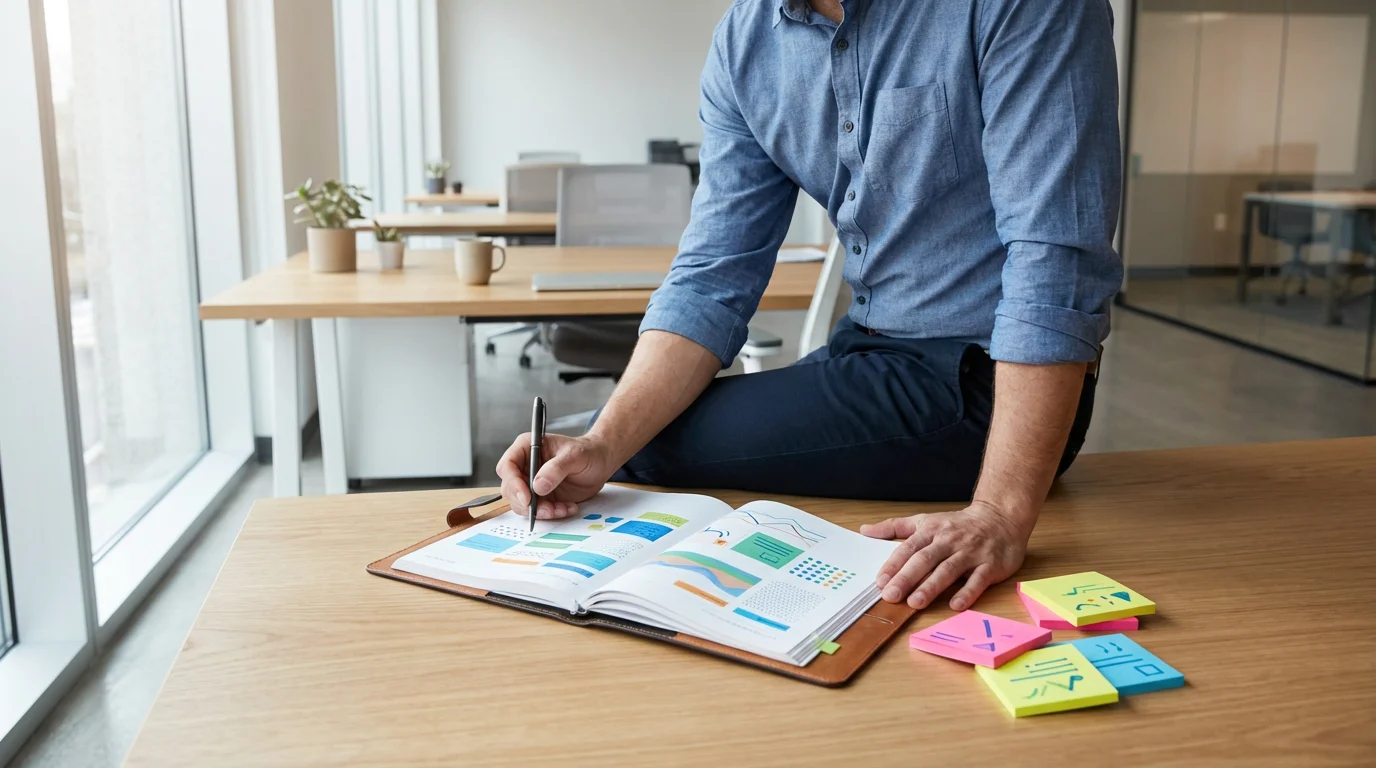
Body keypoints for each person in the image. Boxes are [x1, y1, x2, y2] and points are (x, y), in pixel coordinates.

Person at [497, 0, 1122, 613]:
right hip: (868, 348)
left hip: (982, 377)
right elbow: (713, 275)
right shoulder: (747, 41)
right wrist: (602, 441)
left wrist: (999, 513)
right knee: (635, 434)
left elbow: (1056, 256)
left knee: (653, 445)